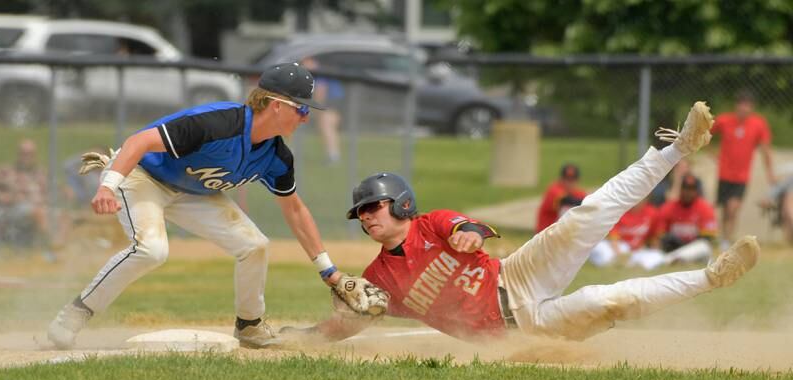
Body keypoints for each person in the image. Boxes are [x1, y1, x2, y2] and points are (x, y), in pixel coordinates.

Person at [281, 102, 760, 342]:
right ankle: (711, 278)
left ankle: (679, 148)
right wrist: (301, 339)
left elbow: (467, 228)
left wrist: (468, 234)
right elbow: (349, 324)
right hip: (522, 327)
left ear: (402, 205)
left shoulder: (432, 223)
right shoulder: (378, 278)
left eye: (374, 207)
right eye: (361, 213)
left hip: (517, 273)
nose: (367, 217)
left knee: (587, 214)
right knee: (608, 298)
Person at [46, 63, 387, 350]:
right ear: (276, 105)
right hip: (142, 176)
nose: (305, 118)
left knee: (254, 246)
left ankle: (250, 325)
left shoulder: (276, 156)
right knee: (151, 250)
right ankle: (74, 315)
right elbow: (138, 141)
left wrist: (330, 272)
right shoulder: (218, 123)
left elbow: (295, 210)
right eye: (302, 108)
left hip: (193, 192)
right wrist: (108, 186)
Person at [711, 91, 776, 250]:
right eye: (741, 104)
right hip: (724, 173)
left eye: (748, 105)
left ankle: (726, 240)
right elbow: (707, 133)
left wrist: (770, 172)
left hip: (741, 176)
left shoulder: (758, 124)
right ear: (736, 105)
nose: (744, 108)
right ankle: (722, 238)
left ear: (752, 107)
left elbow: (765, 149)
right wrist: (711, 153)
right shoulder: (724, 120)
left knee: (733, 208)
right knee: (725, 209)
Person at [0, 139, 50, 249]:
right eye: (24, 153)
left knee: (62, 216)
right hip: (13, 209)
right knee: (38, 213)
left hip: (39, 207)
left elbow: (52, 192)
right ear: (18, 154)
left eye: (30, 154)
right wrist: (1, 197)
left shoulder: (40, 173)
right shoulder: (6, 170)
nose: (26, 157)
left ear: (35, 156)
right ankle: (48, 247)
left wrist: (66, 191)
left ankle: (61, 251)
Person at [653, 173, 718, 265]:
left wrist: (683, 245)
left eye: (691, 189)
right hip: (673, 250)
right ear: (681, 189)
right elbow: (660, 236)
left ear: (696, 191)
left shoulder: (705, 208)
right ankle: (673, 259)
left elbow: (708, 239)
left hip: (696, 253)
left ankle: (668, 260)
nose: (688, 192)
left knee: (703, 246)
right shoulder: (668, 208)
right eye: (685, 188)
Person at [588, 198, 661, 270]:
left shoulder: (652, 212)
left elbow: (654, 236)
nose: (638, 201)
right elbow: (614, 238)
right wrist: (620, 256)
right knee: (608, 254)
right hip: (614, 246)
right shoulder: (618, 211)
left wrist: (655, 249)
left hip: (635, 250)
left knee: (656, 256)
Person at [301, 57, 344, 164]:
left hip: (331, 100)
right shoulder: (313, 72)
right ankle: (332, 155)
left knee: (327, 126)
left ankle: (333, 155)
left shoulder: (318, 72)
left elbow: (320, 92)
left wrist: (314, 109)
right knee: (326, 126)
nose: (303, 65)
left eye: (305, 62)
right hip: (332, 100)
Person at [535, 164, 586, 233]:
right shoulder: (553, 190)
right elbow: (565, 200)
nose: (569, 183)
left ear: (577, 180)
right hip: (544, 236)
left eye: (572, 179)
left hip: (563, 237)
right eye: (567, 179)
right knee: (568, 208)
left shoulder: (579, 193)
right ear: (561, 179)